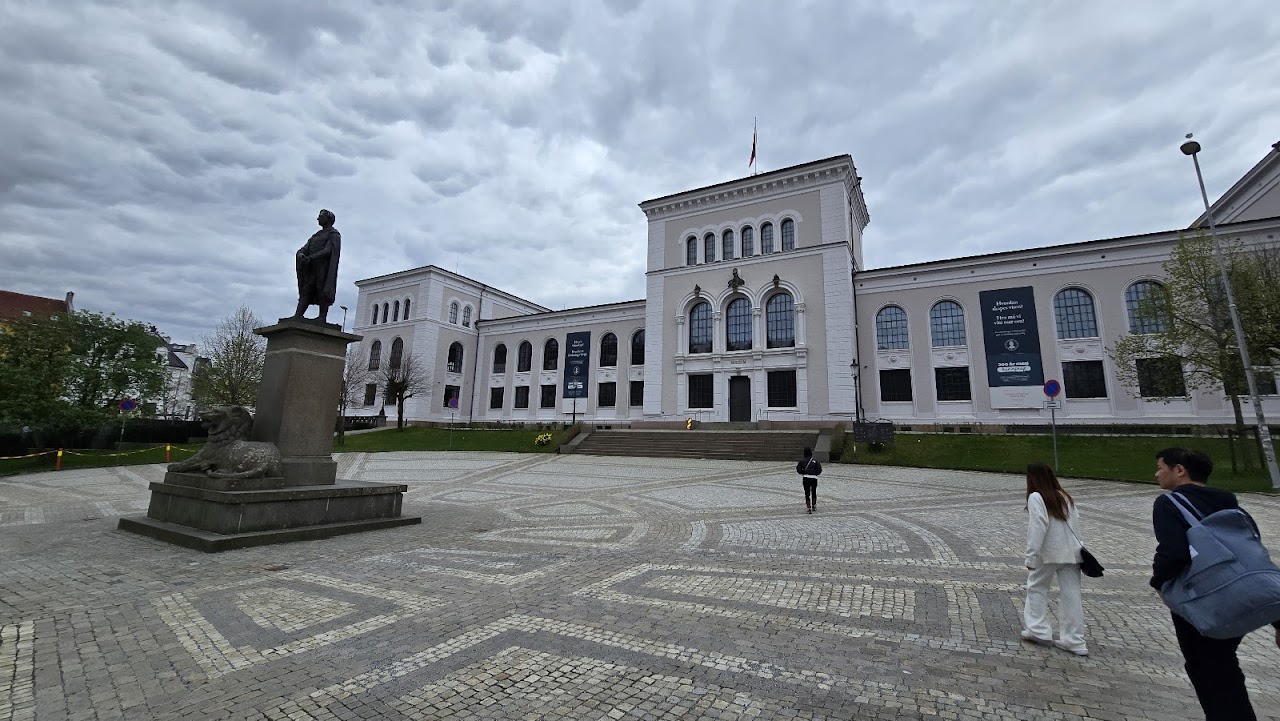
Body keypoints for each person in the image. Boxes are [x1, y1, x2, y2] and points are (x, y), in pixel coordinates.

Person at [1151, 447, 1280, 721]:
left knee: (1206, 670)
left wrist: (1159, 583)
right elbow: (1252, 553)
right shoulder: (1230, 502)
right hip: (1238, 591)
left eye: (1161, 467)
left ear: (1180, 470)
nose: (1156, 473)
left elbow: (1173, 552)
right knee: (1224, 664)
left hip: (1201, 597)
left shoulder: (1168, 503)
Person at [1021, 462, 1088, 656]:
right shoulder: (1065, 496)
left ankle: (1038, 629)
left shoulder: (1036, 497)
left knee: (1037, 587)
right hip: (1072, 552)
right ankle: (1074, 639)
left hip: (1049, 553)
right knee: (1071, 595)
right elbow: (1076, 525)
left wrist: (1031, 556)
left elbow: (1038, 527)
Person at [292, 209, 342, 323]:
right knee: (306, 290)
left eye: (321, 216)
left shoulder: (333, 234)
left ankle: (322, 317)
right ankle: (298, 315)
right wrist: (301, 254)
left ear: (328, 219)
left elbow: (329, 250)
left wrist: (311, 258)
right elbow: (304, 248)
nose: (318, 219)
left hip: (323, 268)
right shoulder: (316, 236)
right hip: (311, 268)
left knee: (322, 289)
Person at [796, 447, 822, 513]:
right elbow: (819, 469)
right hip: (814, 478)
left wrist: (803, 472)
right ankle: (814, 505)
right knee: (813, 491)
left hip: (806, 478)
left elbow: (798, 470)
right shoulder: (815, 460)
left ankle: (808, 507)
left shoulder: (802, 461)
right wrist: (815, 473)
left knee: (807, 492)